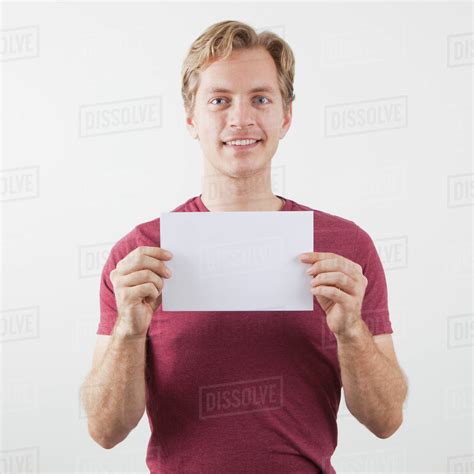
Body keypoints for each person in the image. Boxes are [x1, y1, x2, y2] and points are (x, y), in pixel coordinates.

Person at [80, 20, 408, 474]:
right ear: (191, 119)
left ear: (285, 117)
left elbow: (386, 420)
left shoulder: (347, 247)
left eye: (260, 99)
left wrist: (351, 330)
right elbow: (104, 430)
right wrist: (129, 333)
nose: (241, 119)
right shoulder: (138, 256)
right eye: (219, 100)